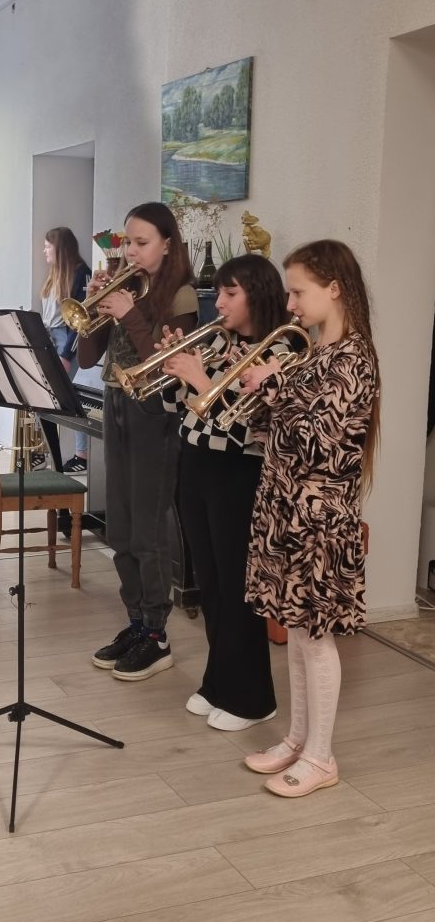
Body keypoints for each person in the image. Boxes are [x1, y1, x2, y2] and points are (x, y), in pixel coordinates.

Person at [238, 239, 380, 796]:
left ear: (334, 289)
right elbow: (272, 433)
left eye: (298, 292)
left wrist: (274, 386)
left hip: (318, 517)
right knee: (296, 631)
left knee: (316, 638)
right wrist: (260, 391)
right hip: (286, 509)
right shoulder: (317, 354)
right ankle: (299, 738)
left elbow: (322, 444)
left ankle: (322, 757)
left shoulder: (353, 360)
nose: (291, 304)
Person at [161, 255, 299, 731]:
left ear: (257, 294)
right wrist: (175, 372)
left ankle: (253, 698)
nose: (218, 302)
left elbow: (247, 429)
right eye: (218, 292)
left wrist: (200, 380)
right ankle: (218, 680)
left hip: (238, 472)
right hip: (195, 465)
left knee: (238, 586)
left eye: (229, 293)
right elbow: (178, 406)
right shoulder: (219, 339)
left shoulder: (281, 351)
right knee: (210, 582)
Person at [79, 201, 197, 680]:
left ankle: (157, 634)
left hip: (153, 412)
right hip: (116, 401)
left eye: (141, 242)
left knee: (148, 528)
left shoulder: (181, 296)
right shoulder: (126, 285)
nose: (130, 251)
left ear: (168, 245)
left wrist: (128, 313)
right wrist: (92, 310)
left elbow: (167, 367)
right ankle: (136, 622)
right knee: (121, 526)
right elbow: (87, 357)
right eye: (127, 241)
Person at [37, 226, 91, 473]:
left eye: (48, 246)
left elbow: (81, 320)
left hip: (66, 342)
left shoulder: (81, 273)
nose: (44, 251)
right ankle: (45, 451)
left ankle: (82, 456)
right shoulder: (54, 273)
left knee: (72, 399)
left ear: (60, 248)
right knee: (44, 396)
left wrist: (67, 355)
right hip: (50, 338)